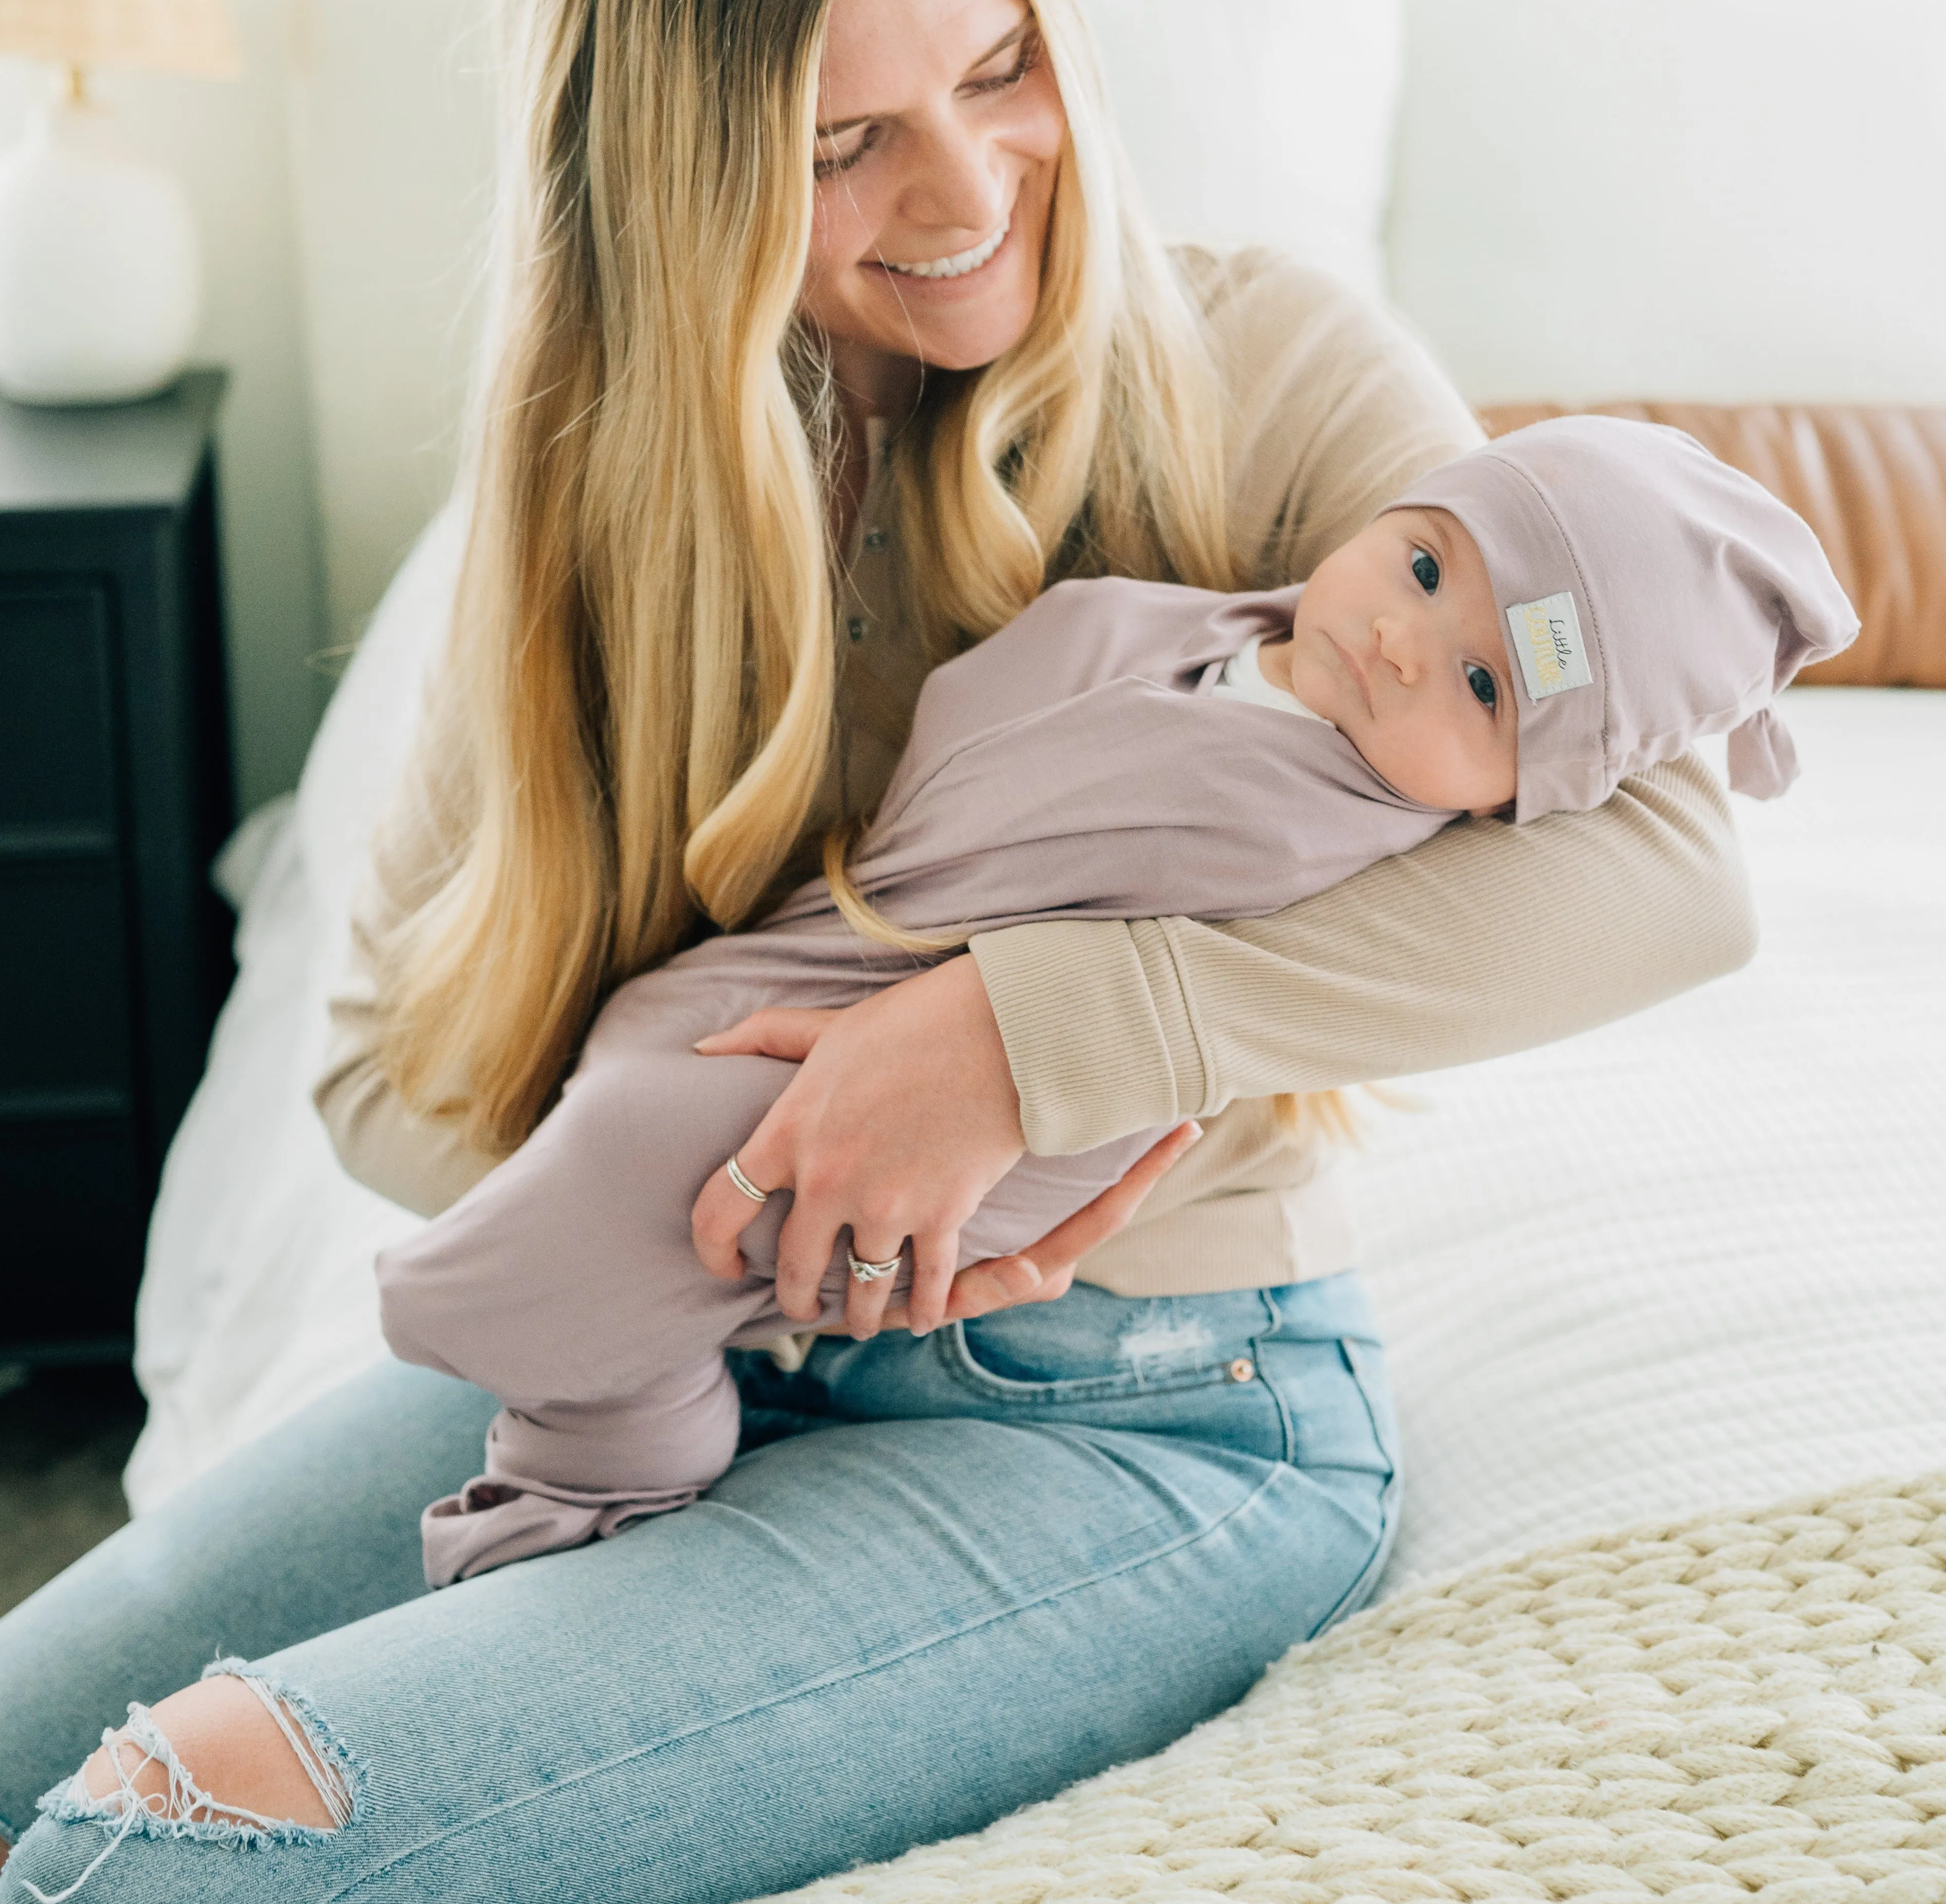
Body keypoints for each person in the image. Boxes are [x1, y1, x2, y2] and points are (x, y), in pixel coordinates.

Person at [0, 0, 1755, 1904]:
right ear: (662, 171)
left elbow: (1674, 868)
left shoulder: (1259, 369)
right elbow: (373, 1065)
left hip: (1154, 1417)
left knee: (133, 1893)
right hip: (680, 1354)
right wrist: (744, 1169)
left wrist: (1019, 1040)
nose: (961, 194)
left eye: (1002, 72)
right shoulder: (584, 499)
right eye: (841, 143)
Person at [383, 417, 1852, 1588]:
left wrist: (1010, 1026)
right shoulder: (1204, 633)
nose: (1410, 642)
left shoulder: (1335, 828)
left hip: (1024, 1126)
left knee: (669, 1149)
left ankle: (597, 1475)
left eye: (1483, 685)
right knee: (652, 1045)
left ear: (1528, 796)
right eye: (1421, 569)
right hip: (849, 953)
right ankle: (596, 1364)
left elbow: (1694, 905)